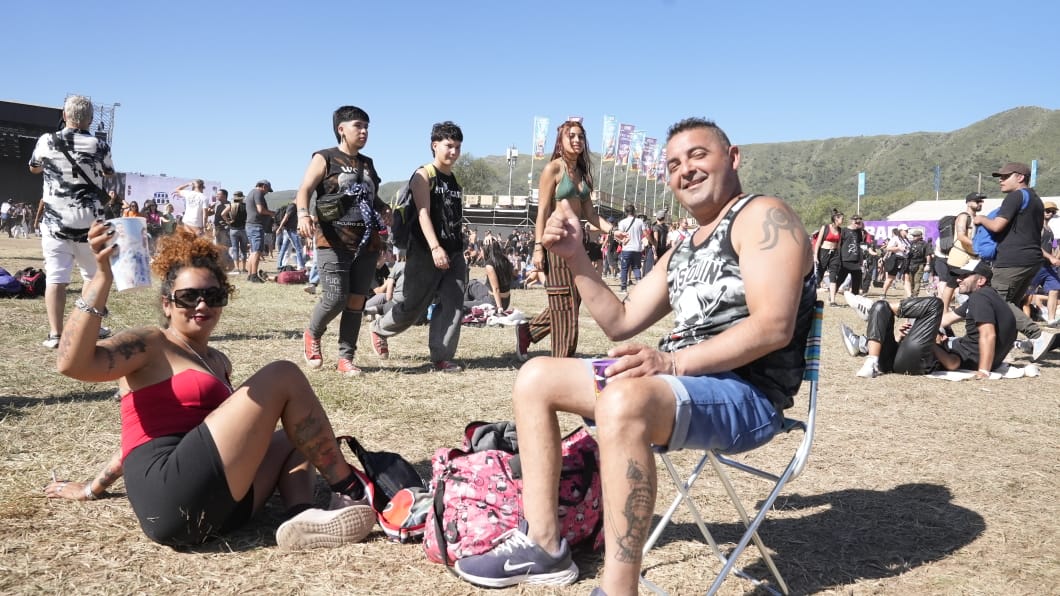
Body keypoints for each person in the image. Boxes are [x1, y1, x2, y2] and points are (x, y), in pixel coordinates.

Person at [453, 118, 816, 593]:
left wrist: (672, 363)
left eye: (698, 155)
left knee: (624, 401)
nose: (685, 169)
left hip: (747, 394)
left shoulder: (764, 216)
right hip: (678, 385)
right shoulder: (683, 249)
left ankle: (619, 589)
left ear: (733, 158)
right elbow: (621, 320)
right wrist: (576, 258)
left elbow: (773, 326)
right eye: (674, 164)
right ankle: (543, 545)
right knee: (536, 376)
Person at [43, 226, 376, 550]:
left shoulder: (219, 361)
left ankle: (302, 516)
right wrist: (101, 278)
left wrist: (92, 487)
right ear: (166, 304)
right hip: (169, 495)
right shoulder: (151, 344)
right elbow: (73, 365)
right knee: (283, 374)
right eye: (188, 297)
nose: (201, 305)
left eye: (212, 296)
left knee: (298, 435)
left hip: (223, 510)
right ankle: (352, 489)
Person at [296, 106, 388, 376]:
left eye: (367, 127)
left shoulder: (368, 163)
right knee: (336, 298)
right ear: (341, 129)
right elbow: (305, 189)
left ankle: (345, 358)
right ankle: (312, 333)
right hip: (333, 241)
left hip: (367, 243)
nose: (364, 131)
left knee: (357, 302)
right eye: (358, 126)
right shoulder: (324, 157)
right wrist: (303, 214)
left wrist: (384, 209)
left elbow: (371, 196)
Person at [369, 121, 466, 372]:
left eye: (457, 147)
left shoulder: (453, 179)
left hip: (454, 250)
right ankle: (379, 329)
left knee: (453, 301)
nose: (453, 152)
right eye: (448, 146)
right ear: (435, 145)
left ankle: (442, 356)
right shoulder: (424, 175)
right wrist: (435, 248)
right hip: (425, 250)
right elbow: (423, 214)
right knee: (413, 306)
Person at [514, 120, 613, 360]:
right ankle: (562, 361)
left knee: (575, 298)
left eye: (580, 136)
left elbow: (590, 214)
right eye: (572, 136)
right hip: (556, 242)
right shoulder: (553, 169)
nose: (577, 140)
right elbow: (543, 211)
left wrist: (613, 230)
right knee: (563, 302)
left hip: (577, 244)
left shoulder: (583, 174)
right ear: (561, 139)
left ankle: (527, 332)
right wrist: (538, 249)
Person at [28, 95, 115, 349]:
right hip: (91, 225)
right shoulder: (100, 146)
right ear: (89, 118)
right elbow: (109, 172)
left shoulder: (47, 141)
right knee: (92, 276)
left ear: (64, 116)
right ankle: (87, 330)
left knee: (56, 278)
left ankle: (55, 334)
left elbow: (33, 167)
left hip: (56, 222)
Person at [842, 258, 1019, 378]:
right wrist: (921, 330)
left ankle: (879, 310)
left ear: (980, 281)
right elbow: (945, 320)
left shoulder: (981, 298)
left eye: (965, 276)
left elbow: (987, 336)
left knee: (935, 304)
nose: (958, 280)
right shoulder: (993, 300)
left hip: (917, 362)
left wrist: (984, 370)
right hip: (902, 358)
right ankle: (872, 353)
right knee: (885, 309)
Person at [976, 162, 1046, 342]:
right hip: (1032, 259)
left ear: (1020, 177)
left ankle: (1037, 336)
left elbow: (998, 226)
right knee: (1011, 304)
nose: (1001, 180)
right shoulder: (1036, 199)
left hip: (1013, 259)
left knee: (996, 300)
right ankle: (1009, 343)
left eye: (1006, 176)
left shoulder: (1015, 197)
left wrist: (982, 219)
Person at [938, 193, 984, 312]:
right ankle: (943, 311)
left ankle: (972, 309)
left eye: (981, 201)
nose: (980, 203)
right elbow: (961, 236)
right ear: (968, 203)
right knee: (951, 284)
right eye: (977, 201)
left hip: (973, 257)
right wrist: (978, 246)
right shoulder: (963, 216)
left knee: (973, 284)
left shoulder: (978, 218)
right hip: (959, 256)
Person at [464, 241, 514, 311]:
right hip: (505, 300)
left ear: (485, 250)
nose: (480, 253)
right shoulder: (505, 260)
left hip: (494, 302)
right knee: (472, 283)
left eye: (481, 250)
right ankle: (472, 302)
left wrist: (499, 308)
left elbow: (496, 289)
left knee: (462, 305)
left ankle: (467, 304)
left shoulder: (490, 265)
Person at [245, 180, 275, 283]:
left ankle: (250, 275)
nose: (267, 192)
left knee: (253, 251)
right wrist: (272, 213)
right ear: (263, 186)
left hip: (250, 225)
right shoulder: (258, 193)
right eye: (267, 190)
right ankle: (254, 275)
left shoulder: (251, 192)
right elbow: (260, 210)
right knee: (257, 251)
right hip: (256, 225)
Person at [813, 209, 845, 304]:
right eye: (841, 219)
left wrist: (839, 256)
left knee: (833, 276)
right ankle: (811, 296)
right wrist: (815, 256)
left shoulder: (840, 230)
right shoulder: (825, 227)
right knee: (819, 275)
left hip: (834, 254)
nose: (843, 220)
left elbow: (839, 245)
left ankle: (832, 300)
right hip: (824, 252)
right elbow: (818, 242)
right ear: (836, 218)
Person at [613, 203, 646, 292]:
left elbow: (620, 235)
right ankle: (639, 283)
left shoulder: (622, 222)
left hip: (626, 248)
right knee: (636, 267)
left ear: (625, 212)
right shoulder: (640, 221)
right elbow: (644, 233)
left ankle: (623, 288)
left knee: (624, 268)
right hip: (637, 248)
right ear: (634, 211)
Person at [836, 213, 868, 296]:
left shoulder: (859, 232)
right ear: (851, 221)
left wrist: (860, 258)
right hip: (845, 259)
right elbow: (839, 245)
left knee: (857, 279)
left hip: (856, 260)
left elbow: (860, 244)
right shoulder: (844, 230)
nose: (857, 223)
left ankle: (855, 297)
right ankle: (832, 295)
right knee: (840, 279)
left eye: (859, 222)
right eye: (855, 221)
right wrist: (838, 258)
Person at [880, 224, 911, 298]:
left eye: (907, 230)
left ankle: (910, 296)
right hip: (896, 259)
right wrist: (899, 248)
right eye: (905, 230)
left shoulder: (907, 239)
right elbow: (888, 248)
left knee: (906, 278)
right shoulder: (895, 238)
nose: (907, 231)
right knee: (890, 278)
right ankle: (883, 293)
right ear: (900, 231)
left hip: (905, 259)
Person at [275, 202, 305, 271]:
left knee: (283, 249)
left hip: (288, 230)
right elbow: (286, 217)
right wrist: (279, 228)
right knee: (299, 248)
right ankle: (301, 266)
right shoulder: (292, 206)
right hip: (291, 231)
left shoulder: (293, 206)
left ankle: (279, 265)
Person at [225, 191, 249, 274]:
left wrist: (228, 221)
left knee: (235, 249)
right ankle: (244, 268)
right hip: (243, 229)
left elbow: (222, 214)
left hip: (233, 229)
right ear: (242, 198)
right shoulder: (245, 206)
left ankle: (236, 268)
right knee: (244, 250)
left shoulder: (231, 206)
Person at [906, 228, 930, 296]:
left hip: (920, 264)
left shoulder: (925, 244)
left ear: (920, 236)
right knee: (911, 281)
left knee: (917, 280)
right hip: (910, 264)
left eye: (915, 236)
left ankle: (915, 295)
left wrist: (928, 264)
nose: (913, 237)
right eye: (913, 236)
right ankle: (911, 294)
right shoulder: (910, 243)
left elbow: (928, 255)